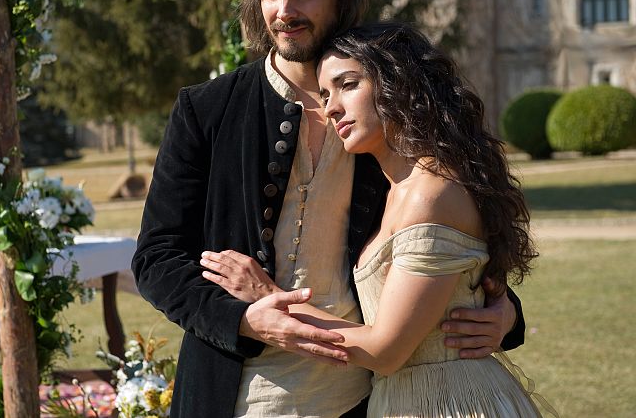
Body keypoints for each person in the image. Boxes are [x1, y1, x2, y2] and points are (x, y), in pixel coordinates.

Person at [132, 0, 525, 418]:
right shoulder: (206, 110)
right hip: (229, 395)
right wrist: (244, 319)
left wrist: (504, 312)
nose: (284, 10)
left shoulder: (381, 115)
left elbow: (445, 237)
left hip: (361, 397)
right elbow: (157, 258)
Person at [201, 23, 544, 416]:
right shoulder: (396, 190)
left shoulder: (429, 194)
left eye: (347, 85)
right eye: (325, 94)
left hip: (448, 402)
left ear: (399, 83)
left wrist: (268, 297)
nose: (330, 107)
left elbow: (385, 351)